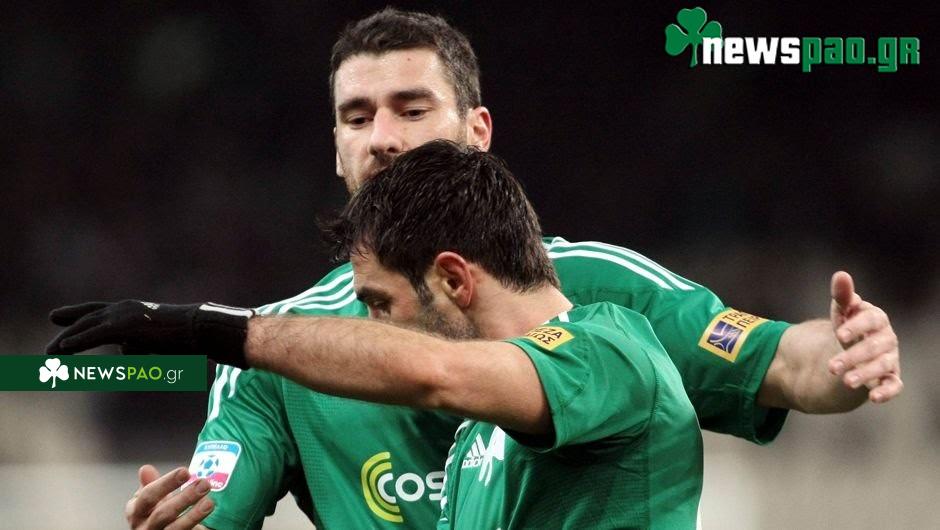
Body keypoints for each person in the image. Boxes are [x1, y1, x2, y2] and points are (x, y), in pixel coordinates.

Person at [48, 8, 901, 530]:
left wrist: (843, 357)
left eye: (411, 108)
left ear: (478, 133)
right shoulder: (298, 364)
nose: (384, 138)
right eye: (357, 117)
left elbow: (779, 361)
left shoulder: (608, 312)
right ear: (335, 147)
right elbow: (211, 505)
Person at [48, 140, 707, 528]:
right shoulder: (477, 436)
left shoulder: (611, 351)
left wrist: (215, 329)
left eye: (380, 304)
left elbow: (434, 372)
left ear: (453, 279)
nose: (371, 326)